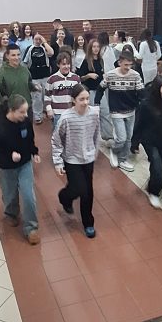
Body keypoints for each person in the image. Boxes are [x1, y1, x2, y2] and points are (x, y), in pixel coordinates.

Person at [0, 94, 41, 245]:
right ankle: (11, 213)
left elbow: (30, 139)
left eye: (26, 111)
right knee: (10, 195)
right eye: (22, 112)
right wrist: (9, 155)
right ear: (11, 110)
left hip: (25, 164)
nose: (25, 115)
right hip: (7, 167)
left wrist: (34, 152)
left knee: (28, 195)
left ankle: (31, 228)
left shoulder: (25, 122)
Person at [52, 84, 100, 238]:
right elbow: (56, 140)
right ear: (73, 100)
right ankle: (64, 197)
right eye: (81, 99)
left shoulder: (94, 114)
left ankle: (88, 223)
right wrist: (58, 162)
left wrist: (94, 152)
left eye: (87, 99)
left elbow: (96, 134)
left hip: (88, 158)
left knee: (88, 192)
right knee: (80, 189)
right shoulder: (66, 118)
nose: (85, 102)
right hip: (72, 159)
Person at [132, 76, 162, 208]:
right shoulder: (146, 104)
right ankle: (153, 193)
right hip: (149, 141)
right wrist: (134, 143)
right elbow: (138, 124)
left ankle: (152, 184)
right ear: (156, 88)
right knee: (160, 172)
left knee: (158, 166)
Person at [101, 50, 144, 172]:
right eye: (126, 65)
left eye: (130, 65)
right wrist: (98, 103)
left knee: (129, 138)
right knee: (121, 138)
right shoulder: (111, 75)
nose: (128, 67)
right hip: (116, 111)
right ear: (119, 63)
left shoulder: (135, 75)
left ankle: (122, 159)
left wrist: (142, 101)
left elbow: (142, 93)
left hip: (131, 110)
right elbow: (100, 88)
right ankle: (114, 150)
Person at [44, 51, 81, 129]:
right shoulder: (51, 79)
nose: (66, 66)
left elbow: (80, 95)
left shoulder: (76, 78)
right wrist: (49, 109)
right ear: (58, 65)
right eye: (63, 64)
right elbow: (47, 96)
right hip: (57, 114)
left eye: (68, 64)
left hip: (72, 113)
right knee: (58, 134)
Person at [0, 44, 34, 113]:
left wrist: (35, 87)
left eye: (18, 55)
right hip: (13, 110)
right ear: (7, 56)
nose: (17, 58)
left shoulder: (25, 69)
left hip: (27, 107)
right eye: (13, 55)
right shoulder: (1, 73)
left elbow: (29, 84)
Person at [24, 34, 54, 123]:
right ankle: (37, 115)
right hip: (35, 77)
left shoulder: (44, 48)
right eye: (36, 39)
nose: (38, 41)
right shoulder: (30, 49)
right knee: (36, 97)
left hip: (45, 76)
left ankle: (47, 111)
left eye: (39, 39)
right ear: (33, 40)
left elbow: (51, 53)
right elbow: (25, 62)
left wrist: (44, 42)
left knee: (46, 95)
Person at [77, 39, 104, 105]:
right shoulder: (86, 61)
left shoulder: (101, 60)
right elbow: (80, 78)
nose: (96, 49)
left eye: (98, 47)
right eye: (94, 47)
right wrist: (89, 75)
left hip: (100, 89)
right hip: (90, 90)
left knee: (104, 109)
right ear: (90, 48)